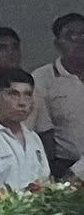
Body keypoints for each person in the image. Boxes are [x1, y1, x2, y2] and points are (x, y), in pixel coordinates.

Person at [0, 68, 52, 191]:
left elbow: (44, 180)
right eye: (14, 94)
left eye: (28, 95)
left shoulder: (33, 138)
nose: (22, 103)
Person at [32, 12, 84, 178]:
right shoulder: (41, 78)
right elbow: (43, 132)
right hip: (64, 166)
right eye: (71, 36)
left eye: (83, 34)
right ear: (57, 44)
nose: (80, 41)